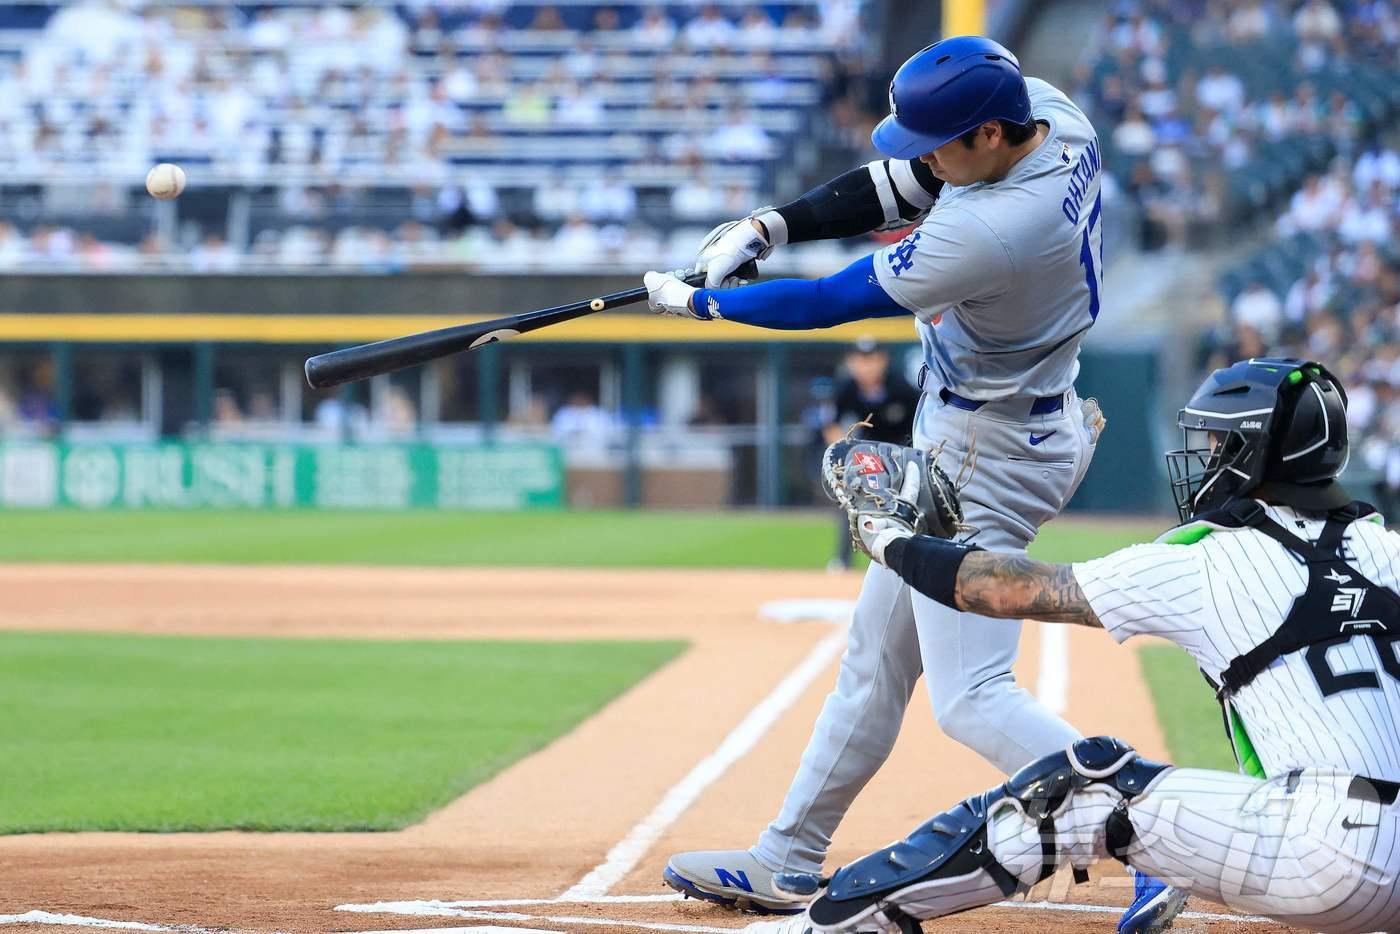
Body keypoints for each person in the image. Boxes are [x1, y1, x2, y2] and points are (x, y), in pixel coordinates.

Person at [644, 35, 1184, 933]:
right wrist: (772, 225)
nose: (922, 156)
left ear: (986, 135)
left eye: (940, 140)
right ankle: (788, 856)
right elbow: (904, 183)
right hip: (1004, 422)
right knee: (875, 660)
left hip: (984, 454)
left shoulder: (995, 229)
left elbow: (825, 302)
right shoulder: (1052, 116)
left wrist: (699, 302)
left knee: (970, 696)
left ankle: (1161, 833)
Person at [744, 357, 1400, 934]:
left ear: (1252, 455)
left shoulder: (1207, 562)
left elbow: (1001, 590)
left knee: (1086, 779)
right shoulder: (1390, 550)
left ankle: (834, 922)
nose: (1204, 457)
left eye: (1218, 442)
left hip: (1326, 867)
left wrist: (889, 537)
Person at [823, 338, 921, 569]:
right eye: (859, 360)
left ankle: (909, 557)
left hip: (902, 451)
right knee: (851, 500)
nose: (866, 366)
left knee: (905, 507)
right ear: (850, 362)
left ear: (883, 361)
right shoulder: (846, 387)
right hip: (866, 452)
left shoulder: (900, 387)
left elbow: (919, 425)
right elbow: (831, 424)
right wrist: (843, 456)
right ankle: (843, 560)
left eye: (871, 360)